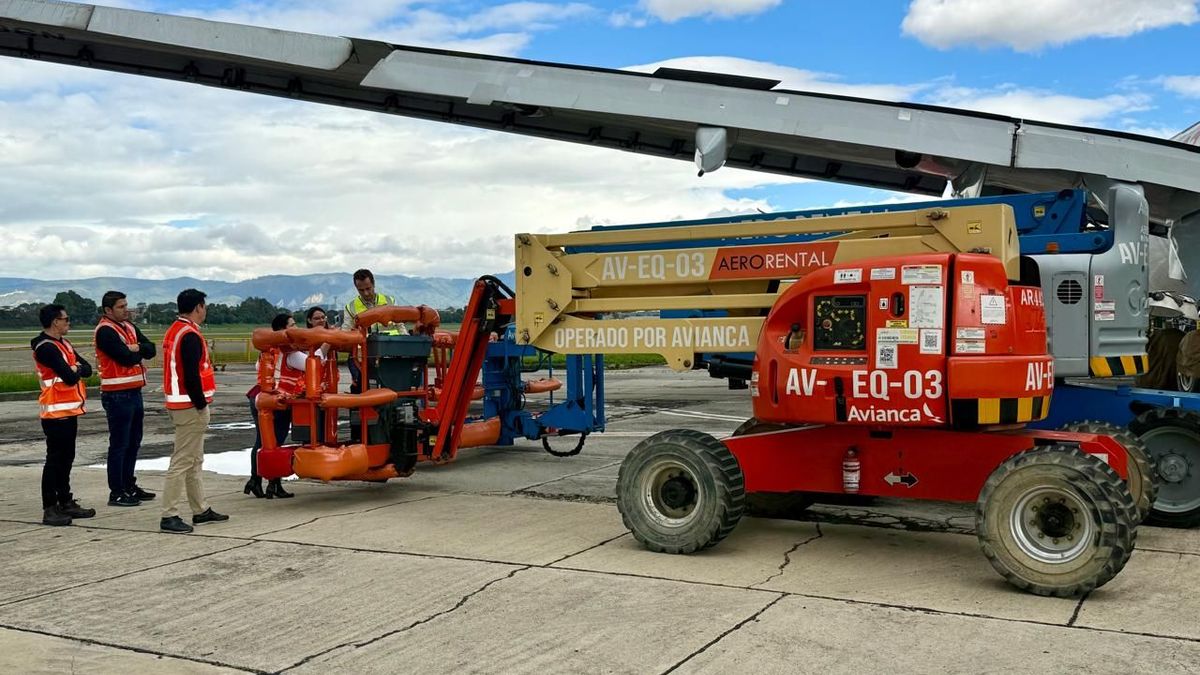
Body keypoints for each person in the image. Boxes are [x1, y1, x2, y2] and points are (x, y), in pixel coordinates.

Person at [160, 289, 228, 533]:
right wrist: (201, 403)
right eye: (204, 306)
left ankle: (200, 509)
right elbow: (191, 375)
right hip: (189, 406)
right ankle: (169, 514)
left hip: (180, 403)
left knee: (194, 460)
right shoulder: (189, 334)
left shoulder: (176, 330)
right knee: (182, 461)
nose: (205, 310)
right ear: (198, 307)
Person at [31, 304, 96, 526]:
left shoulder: (63, 344)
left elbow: (87, 368)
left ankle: (65, 500)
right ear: (55, 322)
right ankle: (50, 507)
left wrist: (76, 368)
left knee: (66, 458)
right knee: (55, 460)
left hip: (69, 410)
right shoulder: (46, 347)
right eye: (66, 319)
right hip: (55, 412)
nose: (69, 323)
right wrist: (76, 369)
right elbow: (70, 376)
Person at [93, 290, 157, 507]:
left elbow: (151, 349)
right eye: (121, 307)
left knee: (133, 442)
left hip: (134, 391)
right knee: (119, 444)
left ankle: (129, 484)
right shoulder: (105, 331)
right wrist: (136, 350)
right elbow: (125, 358)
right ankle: (117, 491)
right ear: (108, 310)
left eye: (126, 305)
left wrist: (135, 348)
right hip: (117, 394)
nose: (126, 310)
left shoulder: (129, 327)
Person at [245, 313, 296, 499]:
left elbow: (258, 368)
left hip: (257, 395)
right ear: (282, 330)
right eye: (291, 325)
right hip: (276, 399)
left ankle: (255, 480)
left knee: (262, 441)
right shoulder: (287, 351)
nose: (295, 328)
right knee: (276, 442)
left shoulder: (268, 348)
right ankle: (273, 484)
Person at [341, 269, 405, 394]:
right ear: (356, 288)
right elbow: (346, 332)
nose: (366, 293)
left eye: (368, 288)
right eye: (361, 290)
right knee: (361, 382)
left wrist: (405, 347)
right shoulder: (351, 307)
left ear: (374, 284)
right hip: (363, 355)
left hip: (391, 352)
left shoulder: (389, 301)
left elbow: (400, 326)